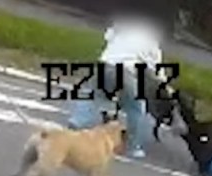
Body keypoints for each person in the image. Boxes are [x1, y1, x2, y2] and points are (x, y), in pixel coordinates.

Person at [67, 14, 168, 159]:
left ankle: (77, 121)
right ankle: (134, 146)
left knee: (94, 94)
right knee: (136, 108)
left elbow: (108, 36)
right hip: (125, 71)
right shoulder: (152, 43)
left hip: (106, 63)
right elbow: (157, 72)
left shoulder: (124, 28)